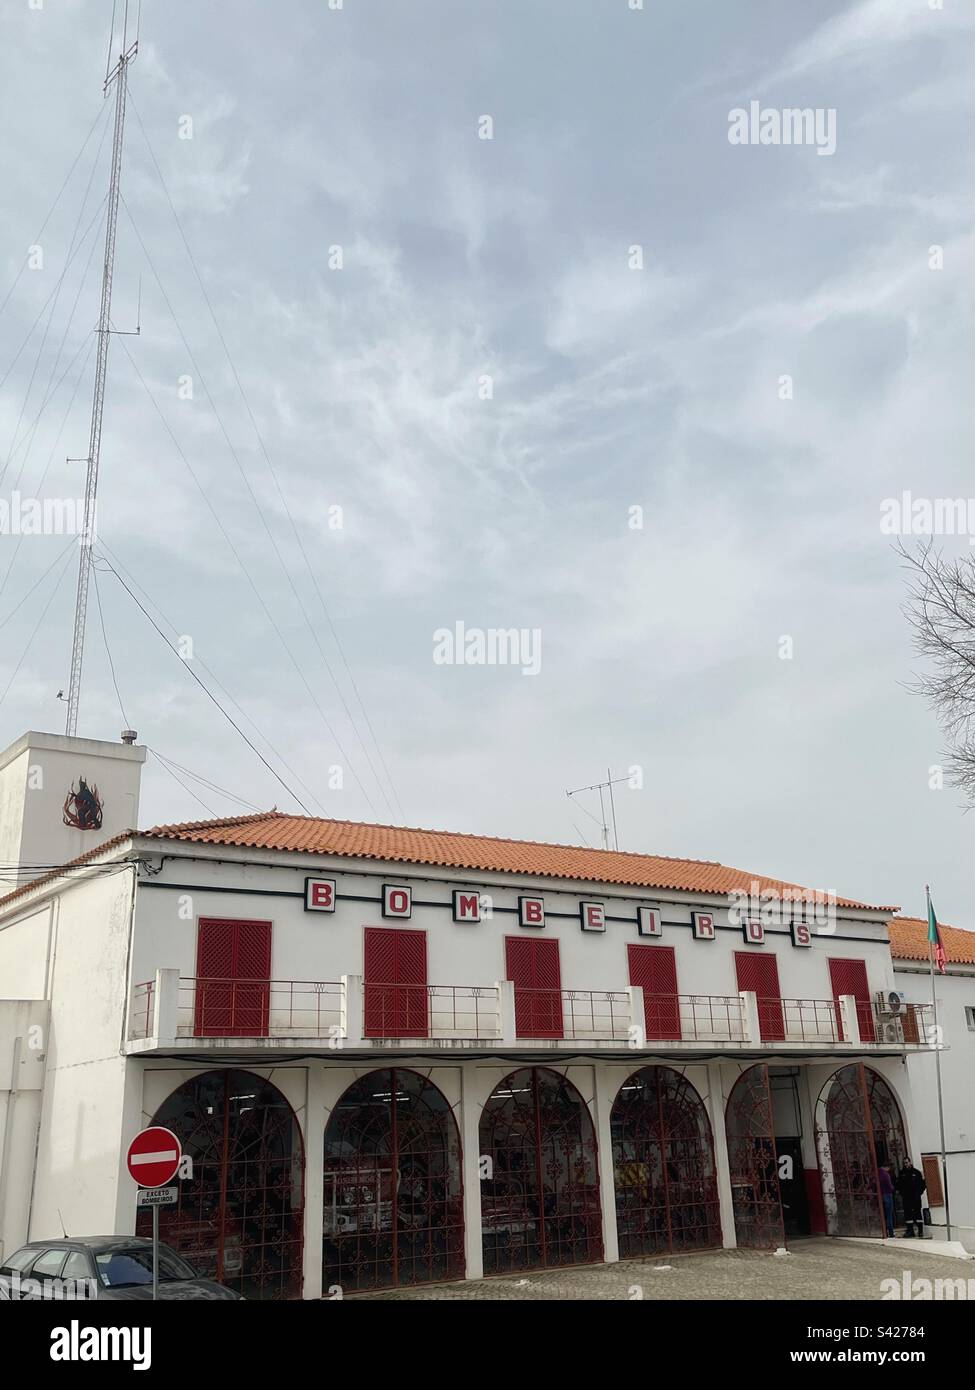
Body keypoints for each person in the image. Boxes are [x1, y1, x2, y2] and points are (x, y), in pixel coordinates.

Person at [896, 1162, 927, 1238]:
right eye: (905, 1163)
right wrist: (902, 1193)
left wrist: (919, 1193)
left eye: (907, 1162)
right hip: (906, 1198)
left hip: (916, 1198)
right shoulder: (901, 1173)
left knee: (918, 1214)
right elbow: (898, 1185)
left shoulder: (917, 1173)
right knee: (908, 1215)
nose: (906, 1164)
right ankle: (910, 1231)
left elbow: (923, 1184)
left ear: (910, 1163)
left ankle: (920, 1231)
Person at [877, 1164, 895, 1237]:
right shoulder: (886, 1174)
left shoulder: (877, 1174)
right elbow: (889, 1185)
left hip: (881, 1195)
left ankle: (884, 1231)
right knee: (889, 1215)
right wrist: (893, 1188)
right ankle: (891, 1232)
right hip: (887, 1194)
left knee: (883, 1214)